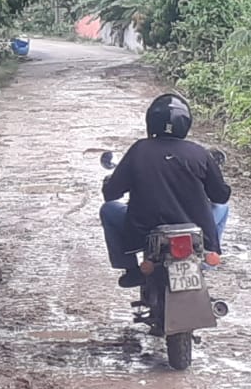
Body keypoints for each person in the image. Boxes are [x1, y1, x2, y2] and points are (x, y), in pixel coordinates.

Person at [99, 93, 231, 289]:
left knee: (108, 210)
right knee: (223, 208)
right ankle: (207, 257)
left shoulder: (139, 150)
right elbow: (221, 196)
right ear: (186, 123)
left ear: (151, 121)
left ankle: (131, 269)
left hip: (145, 229)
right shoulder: (199, 153)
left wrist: (111, 182)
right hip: (196, 229)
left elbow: (111, 194)